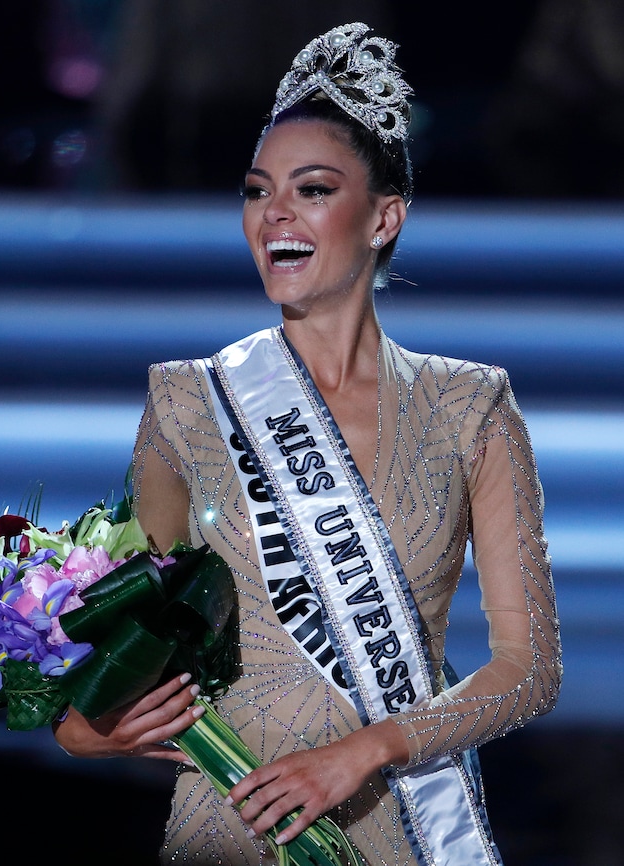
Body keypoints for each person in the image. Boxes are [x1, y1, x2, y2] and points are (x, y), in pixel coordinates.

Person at [53, 23, 562, 865]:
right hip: (231, 822)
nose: (275, 214)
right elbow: (142, 639)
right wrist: (86, 728)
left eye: (312, 189)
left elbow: (529, 667)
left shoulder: (474, 405)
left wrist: (360, 753)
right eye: (257, 191)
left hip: (404, 821)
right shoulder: (187, 401)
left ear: (384, 216)